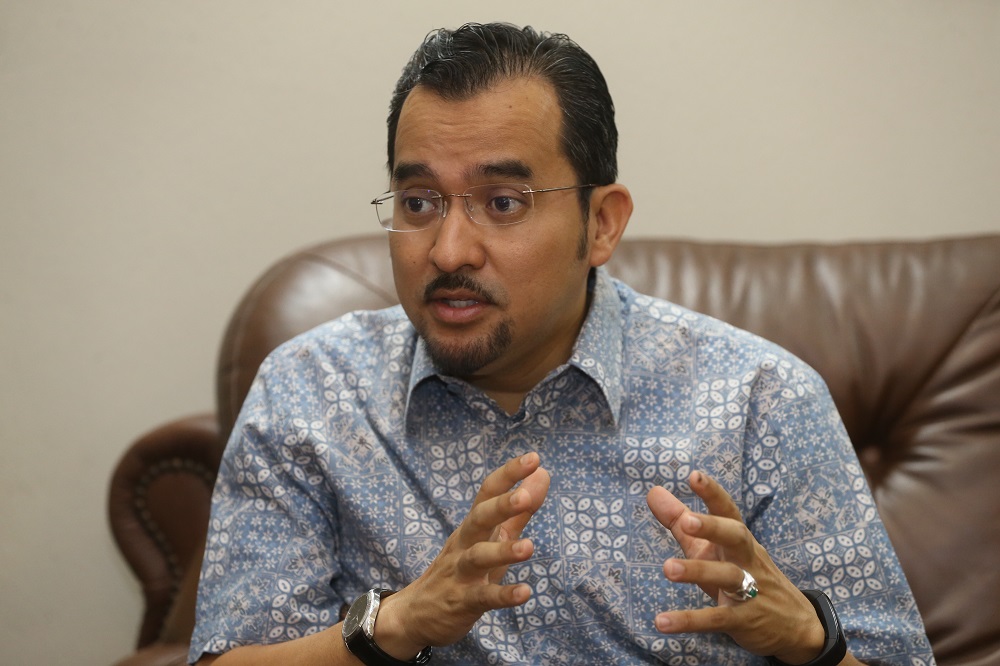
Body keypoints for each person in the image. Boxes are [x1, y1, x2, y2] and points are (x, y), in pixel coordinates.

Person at [189, 22, 935, 665]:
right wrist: (396, 624)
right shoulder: (312, 392)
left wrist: (809, 640)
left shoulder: (759, 401)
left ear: (602, 223)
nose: (448, 250)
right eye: (419, 201)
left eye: (503, 203)